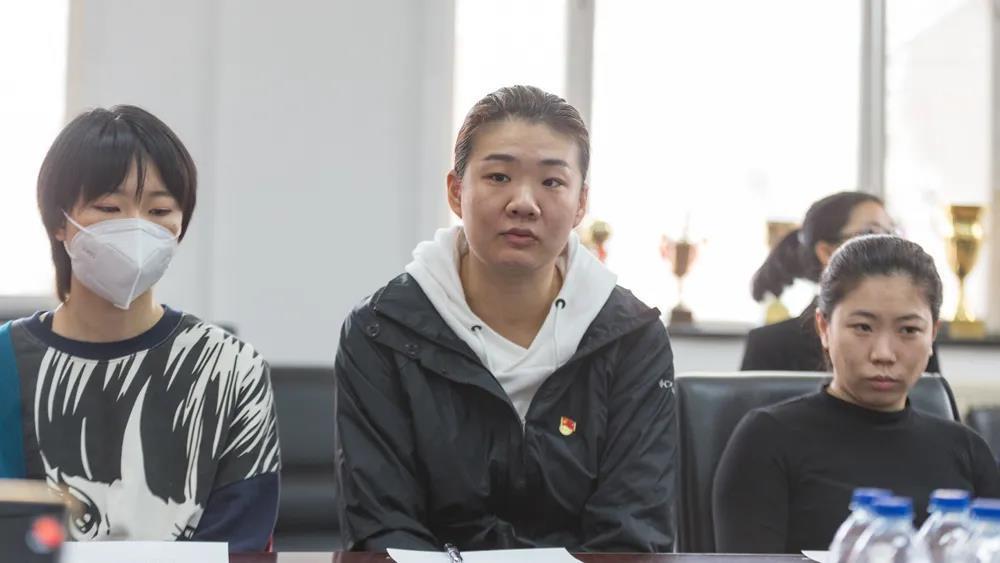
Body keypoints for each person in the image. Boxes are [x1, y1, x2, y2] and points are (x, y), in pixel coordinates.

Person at [334, 85, 676, 552]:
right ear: (456, 191)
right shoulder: (381, 331)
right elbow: (383, 528)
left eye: (552, 182)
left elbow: (631, 534)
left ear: (581, 203)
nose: (523, 202)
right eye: (498, 176)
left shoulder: (631, 337)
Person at [0, 106, 281, 551]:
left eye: (159, 209)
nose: (135, 227)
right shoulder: (5, 363)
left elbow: (240, 546)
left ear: (180, 223)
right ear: (58, 221)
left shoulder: (232, 370)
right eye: (109, 207)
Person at [713, 235, 1000, 554]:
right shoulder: (767, 439)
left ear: (932, 334)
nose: (884, 354)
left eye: (908, 330)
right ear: (824, 328)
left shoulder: (968, 451)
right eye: (863, 327)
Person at [741, 191, 941, 373]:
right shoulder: (769, 345)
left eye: (892, 233)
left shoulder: (915, 335)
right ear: (827, 252)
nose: (886, 244)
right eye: (870, 233)